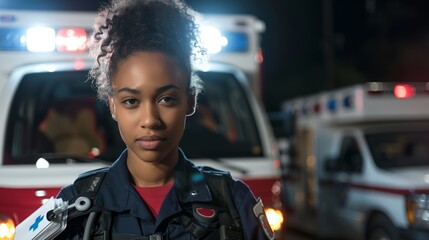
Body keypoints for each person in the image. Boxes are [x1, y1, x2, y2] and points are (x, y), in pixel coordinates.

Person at [55, 0, 274, 239]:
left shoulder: (233, 203)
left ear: (190, 101)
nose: (150, 120)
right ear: (113, 106)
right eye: (131, 101)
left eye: (167, 99)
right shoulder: (74, 208)